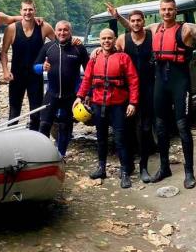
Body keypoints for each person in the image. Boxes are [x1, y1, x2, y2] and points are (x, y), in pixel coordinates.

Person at [107, 0, 196, 189]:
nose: (166, 12)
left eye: (170, 9)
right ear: (160, 11)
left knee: (182, 126)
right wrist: (118, 17)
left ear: (175, 11)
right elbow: (132, 27)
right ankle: (164, 167)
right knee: (160, 126)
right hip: (160, 82)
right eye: (163, 9)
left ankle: (189, 172)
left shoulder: (187, 29)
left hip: (180, 82)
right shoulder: (153, 28)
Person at [74, 28, 139, 189]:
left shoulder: (123, 58)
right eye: (103, 38)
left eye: (109, 38)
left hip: (118, 104)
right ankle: (101, 168)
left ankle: (125, 172)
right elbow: (87, 79)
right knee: (101, 138)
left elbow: (133, 81)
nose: (106, 41)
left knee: (120, 139)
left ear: (114, 39)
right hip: (98, 104)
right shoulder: (94, 59)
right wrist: (79, 97)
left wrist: (133, 102)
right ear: (100, 40)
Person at [34, 20, 89, 156]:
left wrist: (85, 93)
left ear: (70, 32)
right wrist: (42, 67)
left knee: (65, 127)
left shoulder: (78, 48)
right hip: (52, 94)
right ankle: (43, 155)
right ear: (55, 31)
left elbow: (89, 72)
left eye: (65, 30)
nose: (62, 33)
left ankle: (61, 155)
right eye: (59, 30)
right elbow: (35, 67)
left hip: (70, 96)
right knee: (44, 125)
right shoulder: (48, 47)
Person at [0, 0, 55, 131]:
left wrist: (50, 60)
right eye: (25, 9)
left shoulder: (44, 27)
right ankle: (10, 140)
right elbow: (3, 52)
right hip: (17, 75)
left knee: (36, 113)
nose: (27, 12)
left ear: (35, 11)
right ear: (20, 11)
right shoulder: (12, 29)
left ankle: (34, 142)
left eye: (30, 9)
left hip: (35, 76)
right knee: (14, 112)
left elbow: (59, 44)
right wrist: (6, 71)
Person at [114, 10, 155, 183]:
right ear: (129, 22)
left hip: (148, 87)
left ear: (144, 21)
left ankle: (143, 167)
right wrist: (95, 52)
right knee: (127, 128)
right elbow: (110, 53)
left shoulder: (151, 36)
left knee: (144, 129)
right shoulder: (123, 39)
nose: (136, 23)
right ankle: (128, 165)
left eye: (139, 20)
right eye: (133, 21)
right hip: (127, 88)